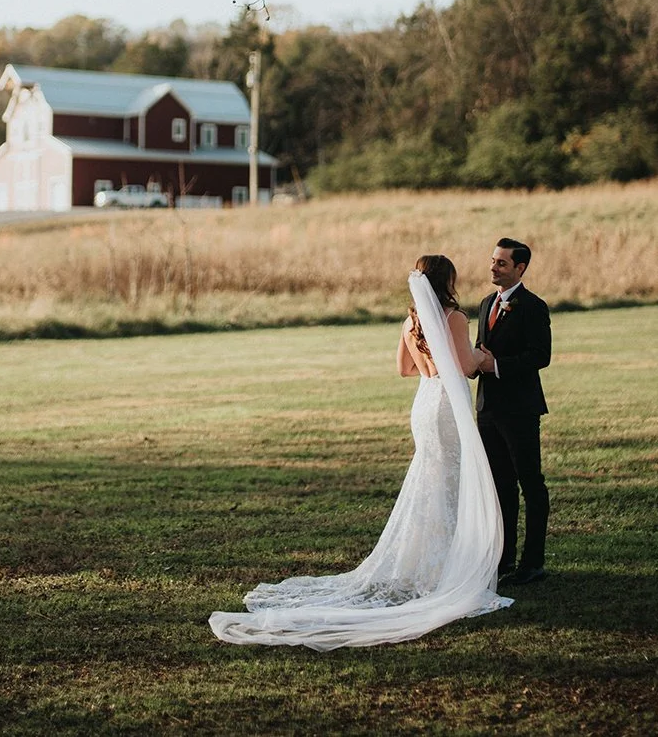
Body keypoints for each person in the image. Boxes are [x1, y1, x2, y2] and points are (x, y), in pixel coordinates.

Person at [209, 255, 512, 650]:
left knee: (429, 482)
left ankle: (421, 566)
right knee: (448, 481)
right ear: (447, 280)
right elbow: (463, 366)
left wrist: (433, 363)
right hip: (445, 406)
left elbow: (405, 368)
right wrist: (483, 357)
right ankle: (442, 571)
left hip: (423, 404)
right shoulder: (453, 317)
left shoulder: (411, 320)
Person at [473, 238, 551, 586]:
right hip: (488, 408)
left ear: (520, 269)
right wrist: (476, 363)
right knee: (500, 485)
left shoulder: (534, 306)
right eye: (492, 261)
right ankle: (503, 559)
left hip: (520, 409)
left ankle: (532, 562)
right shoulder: (486, 303)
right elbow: (482, 350)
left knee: (530, 484)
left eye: (502, 263)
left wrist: (497, 365)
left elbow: (540, 356)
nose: (493, 267)